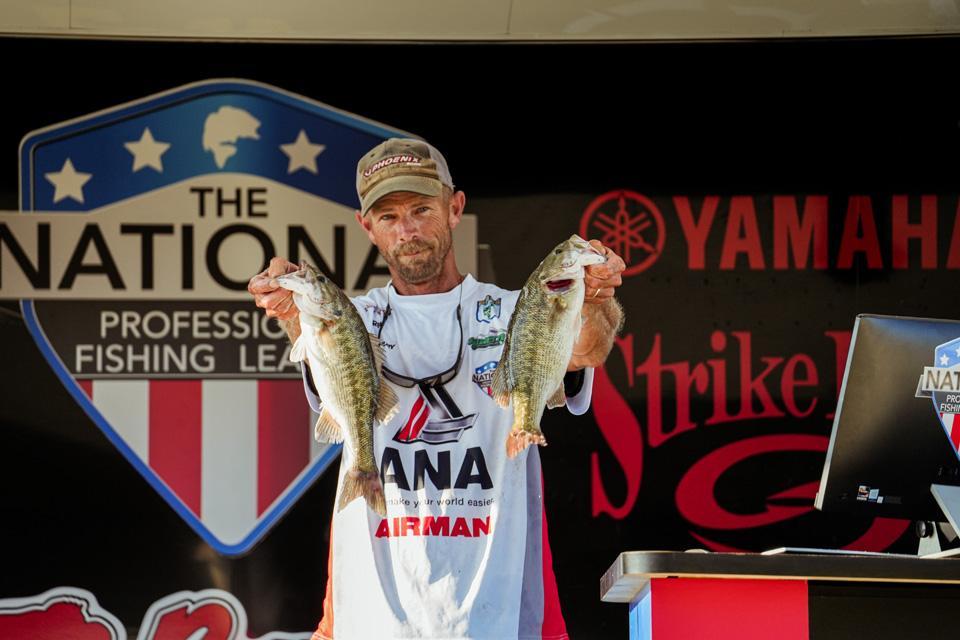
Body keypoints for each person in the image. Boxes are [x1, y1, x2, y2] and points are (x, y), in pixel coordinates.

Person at [248, 138, 625, 640]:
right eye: (388, 217)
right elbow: (322, 357)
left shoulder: (516, 310)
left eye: (422, 209)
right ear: (367, 227)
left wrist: (594, 295)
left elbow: (587, 349)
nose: (407, 230)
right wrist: (293, 310)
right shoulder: (352, 318)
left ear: (455, 208)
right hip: (370, 616)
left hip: (499, 613)